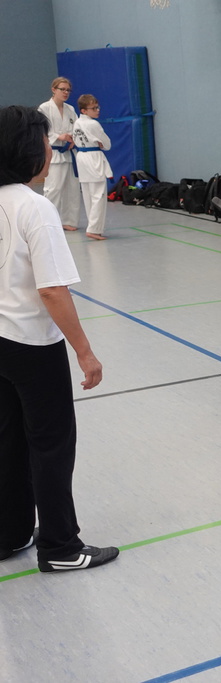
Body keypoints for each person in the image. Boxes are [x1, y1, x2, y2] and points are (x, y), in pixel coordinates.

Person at [0, 105, 119, 573]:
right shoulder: (34, 207)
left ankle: (9, 532)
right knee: (50, 444)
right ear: (26, 150)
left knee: (9, 440)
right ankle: (61, 547)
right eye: (44, 142)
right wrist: (85, 353)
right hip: (32, 346)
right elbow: (52, 290)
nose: (50, 151)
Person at [37, 77, 80, 232]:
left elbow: (77, 128)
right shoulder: (44, 108)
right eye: (62, 89)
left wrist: (74, 139)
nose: (66, 92)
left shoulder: (70, 109)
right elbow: (41, 130)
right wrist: (58, 136)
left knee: (72, 189)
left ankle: (69, 221)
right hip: (54, 153)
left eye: (68, 90)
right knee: (53, 189)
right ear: (54, 89)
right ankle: (47, 221)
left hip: (69, 153)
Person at [72, 94, 114, 240]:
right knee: (98, 195)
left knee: (88, 195)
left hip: (81, 158)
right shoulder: (93, 124)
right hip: (93, 158)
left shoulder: (77, 122)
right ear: (84, 110)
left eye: (97, 107)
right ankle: (93, 229)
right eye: (94, 108)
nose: (97, 110)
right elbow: (107, 144)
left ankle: (93, 226)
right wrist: (101, 144)